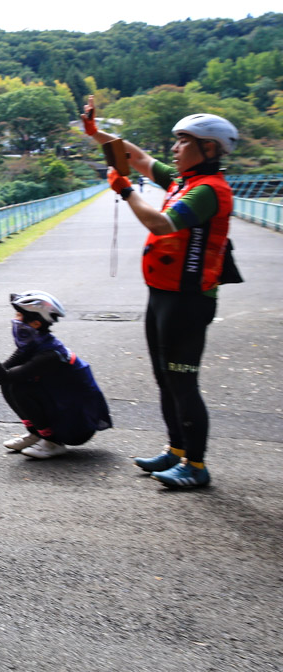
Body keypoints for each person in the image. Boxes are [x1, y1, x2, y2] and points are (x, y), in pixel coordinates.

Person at [82, 97, 238, 489]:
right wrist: (97, 134)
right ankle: (177, 450)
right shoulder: (184, 181)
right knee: (164, 379)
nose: (174, 148)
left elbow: (162, 223)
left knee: (182, 382)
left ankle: (196, 466)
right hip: (163, 294)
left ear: (209, 149)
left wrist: (125, 191)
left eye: (183, 141)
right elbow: (137, 157)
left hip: (188, 300)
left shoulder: (208, 190)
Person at [0, 291, 111, 459]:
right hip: (62, 408)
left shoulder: (50, 354)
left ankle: (53, 442)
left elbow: (0, 375)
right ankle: (37, 434)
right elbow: (1, 374)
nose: (15, 319)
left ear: (35, 323)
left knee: (18, 387)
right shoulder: (35, 343)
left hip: (77, 426)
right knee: (9, 383)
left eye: (19, 315)